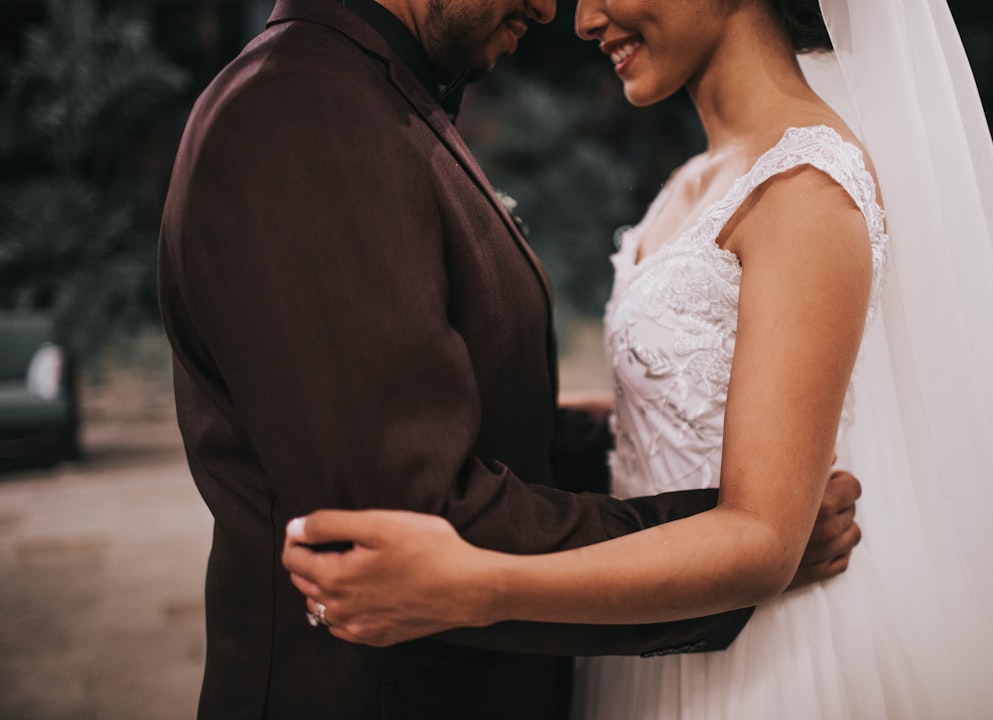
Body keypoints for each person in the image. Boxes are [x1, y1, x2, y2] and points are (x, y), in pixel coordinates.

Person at [282, 0, 993, 716]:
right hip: (654, 634)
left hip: (766, 663)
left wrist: (472, 586)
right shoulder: (700, 178)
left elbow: (766, 543)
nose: (584, 20)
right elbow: (686, 402)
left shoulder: (806, 185)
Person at [157, 0, 864, 717]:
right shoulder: (306, 113)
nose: (559, 11)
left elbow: (436, 414)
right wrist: (732, 542)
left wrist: (684, 459)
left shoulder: (370, 95)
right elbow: (410, 515)